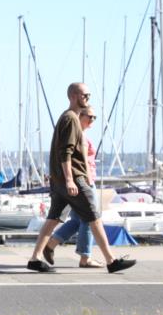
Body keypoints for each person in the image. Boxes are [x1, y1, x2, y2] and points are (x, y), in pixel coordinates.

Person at [26, 83, 136, 274]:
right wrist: (70, 179)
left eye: (89, 95)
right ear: (74, 96)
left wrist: (62, 180)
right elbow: (65, 152)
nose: (88, 98)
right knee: (94, 217)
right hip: (74, 180)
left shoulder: (68, 118)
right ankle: (111, 261)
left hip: (60, 181)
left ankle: (35, 259)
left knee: (53, 219)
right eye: (85, 95)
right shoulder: (71, 119)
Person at [43, 106, 101, 268]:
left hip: (79, 180)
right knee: (90, 219)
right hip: (83, 181)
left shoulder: (81, 135)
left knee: (78, 220)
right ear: (80, 116)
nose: (92, 120)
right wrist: (87, 182)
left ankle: (52, 244)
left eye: (95, 117)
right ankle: (85, 257)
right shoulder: (80, 136)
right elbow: (81, 160)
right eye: (90, 116)